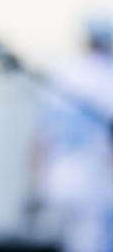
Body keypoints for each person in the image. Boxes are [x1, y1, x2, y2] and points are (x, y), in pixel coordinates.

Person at [30, 17, 113, 252]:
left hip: (60, 179)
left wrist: (39, 185)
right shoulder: (107, 76)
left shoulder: (64, 72)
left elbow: (41, 138)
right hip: (95, 182)